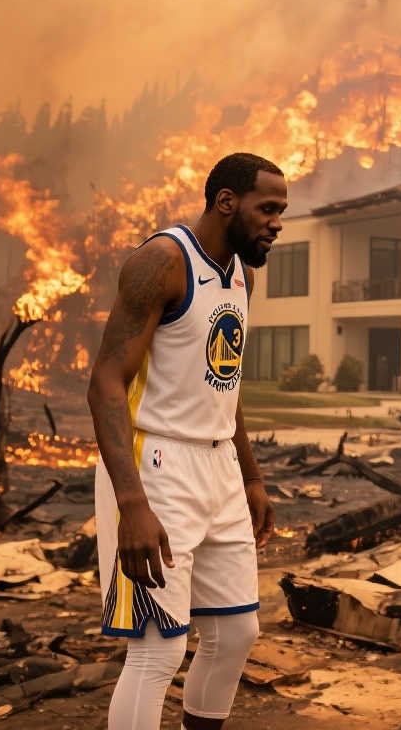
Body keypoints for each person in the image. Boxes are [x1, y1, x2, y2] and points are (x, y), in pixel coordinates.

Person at [87, 152, 285, 730]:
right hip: (157, 464)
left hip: (219, 465)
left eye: (282, 212)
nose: (277, 222)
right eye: (267, 209)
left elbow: (224, 381)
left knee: (236, 632)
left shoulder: (241, 276)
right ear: (227, 201)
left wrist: (250, 476)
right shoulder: (162, 261)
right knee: (157, 649)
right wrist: (131, 503)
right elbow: (104, 383)